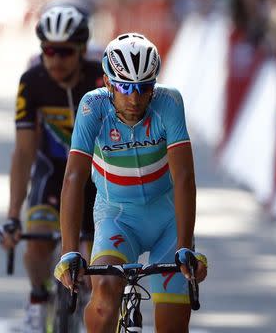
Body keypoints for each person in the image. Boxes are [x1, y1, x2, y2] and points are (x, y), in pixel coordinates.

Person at [54, 33, 208, 333]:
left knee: (173, 325)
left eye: (144, 87)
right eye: (125, 87)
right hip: (118, 218)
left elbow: (184, 177)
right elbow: (74, 178)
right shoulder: (92, 107)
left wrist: (185, 245)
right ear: (108, 82)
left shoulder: (169, 102)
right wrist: (70, 252)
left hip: (168, 222)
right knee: (105, 298)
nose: (134, 98)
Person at [0, 4, 104, 333]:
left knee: (99, 262)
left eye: (65, 51)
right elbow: (24, 151)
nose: (55, 59)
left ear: (82, 50)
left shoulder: (100, 78)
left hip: (97, 177)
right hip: (52, 173)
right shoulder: (33, 81)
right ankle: (38, 297)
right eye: (48, 50)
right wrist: (14, 214)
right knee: (38, 242)